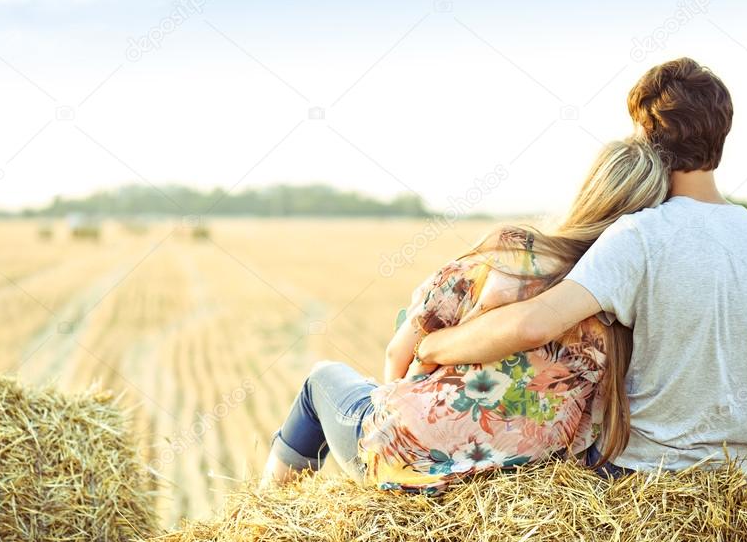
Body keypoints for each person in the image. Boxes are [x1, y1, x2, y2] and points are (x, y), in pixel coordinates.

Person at [418, 57, 747, 481]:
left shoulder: (641, 235)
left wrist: (434, 347)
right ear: (722, 136)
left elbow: (532, 325)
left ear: (646, 138)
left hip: (646, 473)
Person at [260, 137, 669, 492]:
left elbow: (398, 355)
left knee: (321, 382)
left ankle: (267, 519)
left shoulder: (511, 252)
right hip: (519, 479)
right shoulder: (618, 309)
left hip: (410, 457)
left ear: (588, 193)